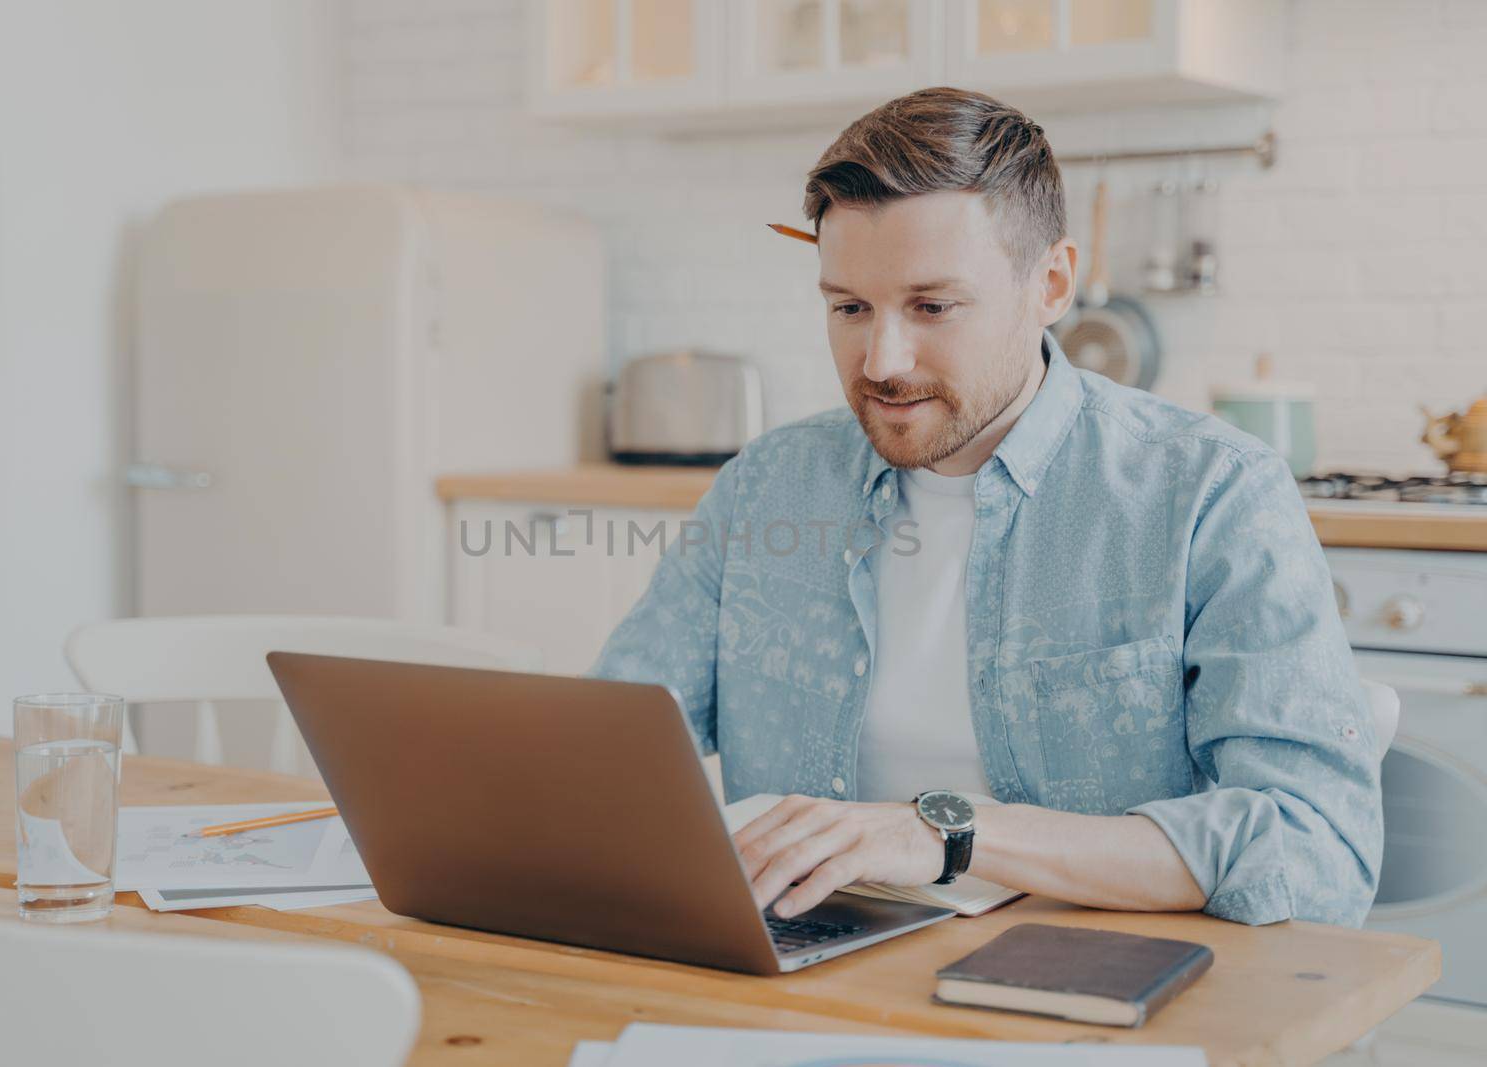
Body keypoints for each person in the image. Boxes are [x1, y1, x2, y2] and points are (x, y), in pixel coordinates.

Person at [588, 87, 1380, 928]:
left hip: (1087, 998)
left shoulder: (1210, 493)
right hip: (803, 984)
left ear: (1052, 283)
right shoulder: (766, 485)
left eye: (933, 306)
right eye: (849, 307)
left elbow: (1318, 848)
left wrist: (946, 835)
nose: (882, 360)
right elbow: (609, 754)